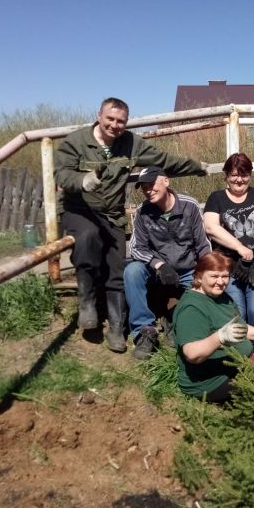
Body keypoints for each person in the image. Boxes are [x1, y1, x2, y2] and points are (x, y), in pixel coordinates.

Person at [54, 97, 208, 353]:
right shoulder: (77, 142)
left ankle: (116, 327)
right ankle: (87, 303)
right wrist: (82, 181)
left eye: (121, 121)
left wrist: (197, 167)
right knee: (89, 236)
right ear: (99, 116)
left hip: (112, 214)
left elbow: (164, 160)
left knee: (119, 268)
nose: (115, 125)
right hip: (79, 209)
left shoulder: (131, 144)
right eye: (110, 119)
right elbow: (61, 173)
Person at [173, 252, 254, 402]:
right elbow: (192, 353)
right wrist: (219, 337)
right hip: (211, 381)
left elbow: (239, 327)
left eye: (225, 276)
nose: (221, 282)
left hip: (236, 366)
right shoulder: (192, 307)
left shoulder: (222, 297)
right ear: (199, 276)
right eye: (214, 276)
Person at [123, 166, 211, 359]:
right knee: (132, 272)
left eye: (152, 184)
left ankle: (176, 321)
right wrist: (159, 265)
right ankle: (144, 331)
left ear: (166, 181)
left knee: (207, 286)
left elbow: (203, 244)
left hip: (187, 268)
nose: (148, 190)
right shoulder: (142, 211)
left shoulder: (190, 206)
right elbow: (137, 248)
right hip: (157, 269)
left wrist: (208, 270)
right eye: (144, 186)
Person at [204, 153, 254, 352]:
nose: (239, 179)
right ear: (226, 175)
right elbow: (210, 227)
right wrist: (241, 248)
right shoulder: (216, 198)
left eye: (244, 175)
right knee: (236, 313)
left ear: (250, 175)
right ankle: (240, 355)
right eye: (234, 174)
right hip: (229, 269)